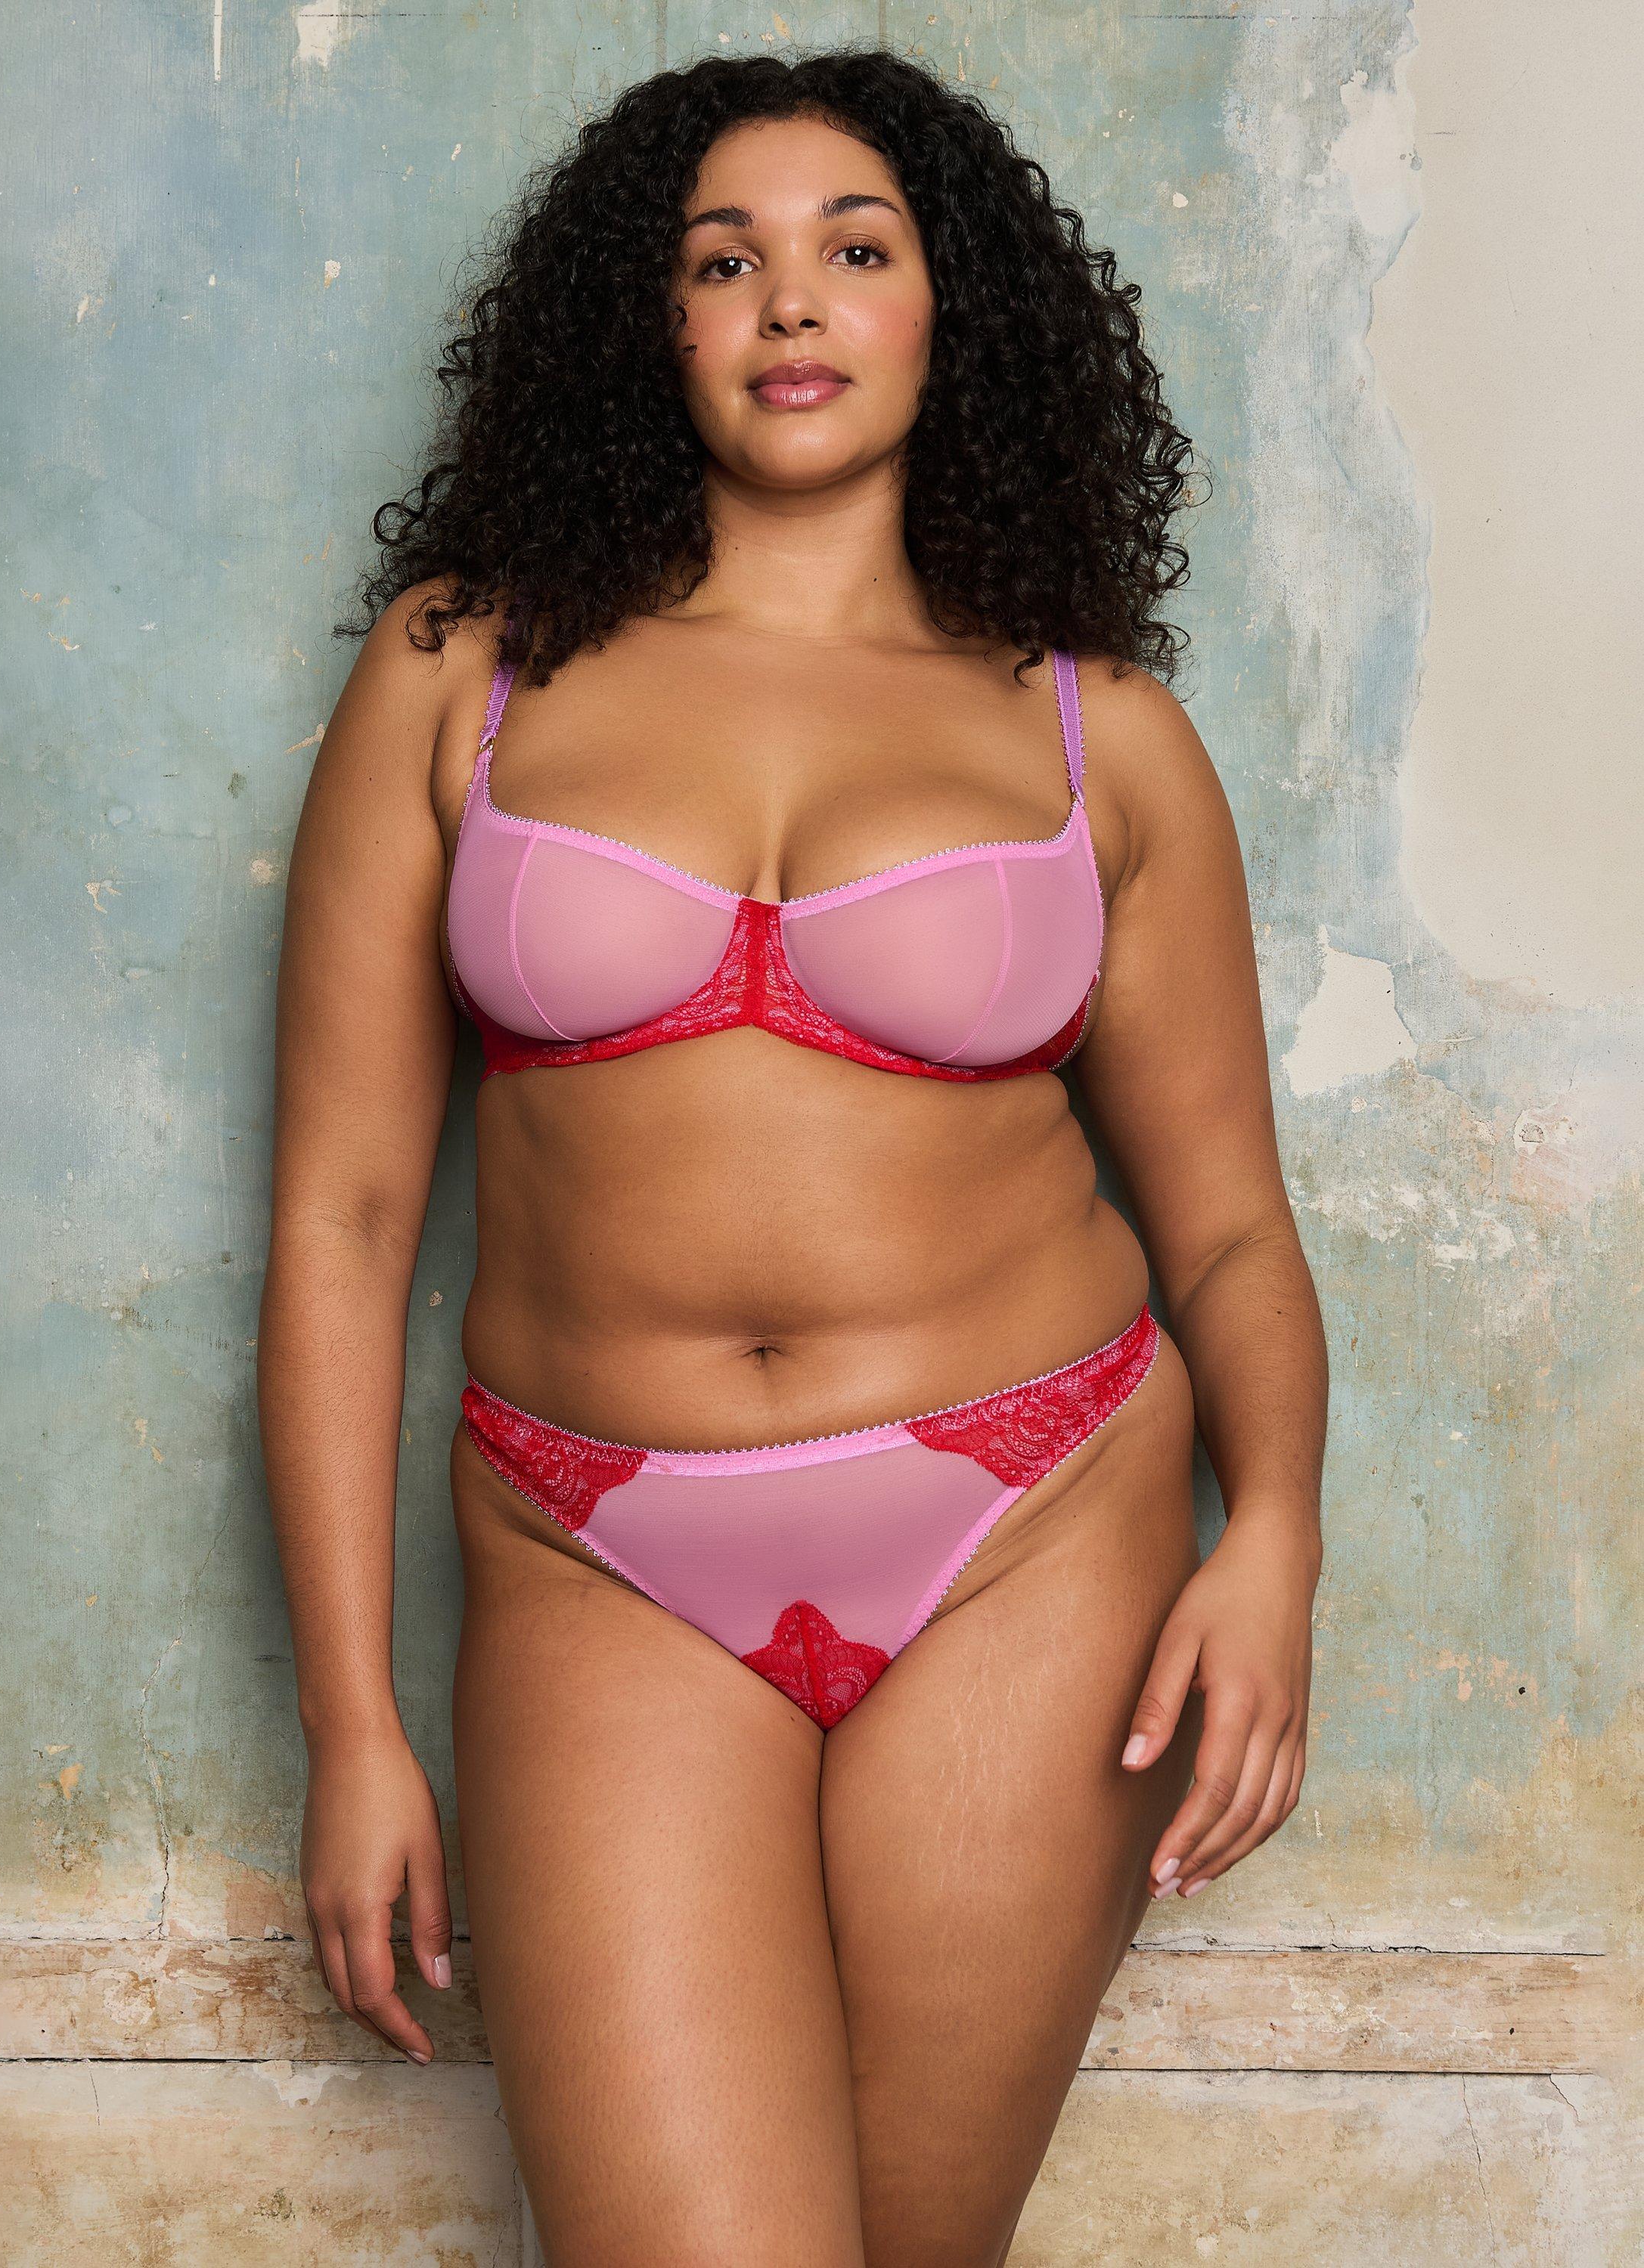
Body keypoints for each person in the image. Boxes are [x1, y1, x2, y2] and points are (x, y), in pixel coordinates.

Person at [258, 47, 1326, 2267]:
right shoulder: (460, 672)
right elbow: (345, 1221)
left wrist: (1277, 1544)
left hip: (1031, 1526)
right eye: (721, 260)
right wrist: (353, 1726)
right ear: (643, 325)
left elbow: (1227, 1228)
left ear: (954, 310)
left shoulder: (1099, 733)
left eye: (855, 247)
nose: (791, 303)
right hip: (592, 1550)